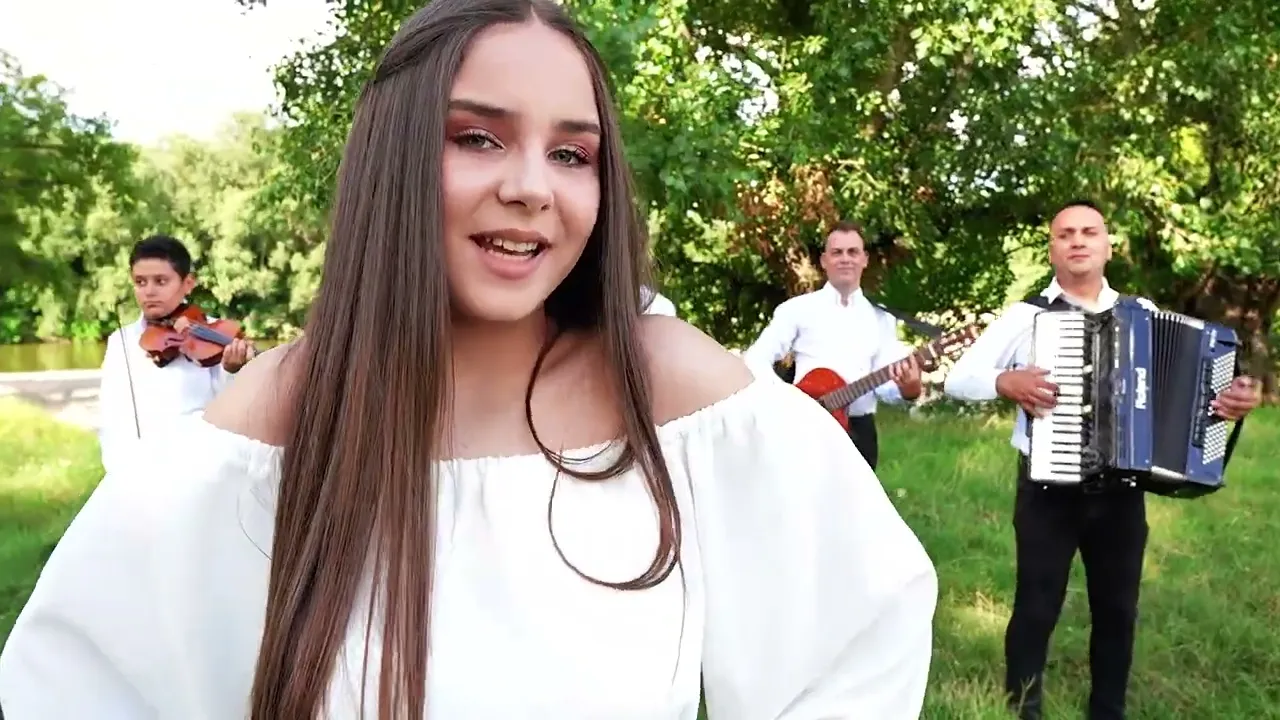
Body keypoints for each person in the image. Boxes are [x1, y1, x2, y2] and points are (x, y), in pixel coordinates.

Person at [0, 2, 938, 718]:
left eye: (571, 154)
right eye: (478, 137)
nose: (531, 187)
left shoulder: (674, 395)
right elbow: (81, 684)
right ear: (394, 158)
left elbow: (854, 646)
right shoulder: (275, 419)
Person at [944, 199, 1262, 720]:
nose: (1077, 241)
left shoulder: (1143, 313)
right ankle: (1023, 709)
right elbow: (958, 378)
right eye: (1065, 233)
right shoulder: (1027, 316)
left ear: (1108, 245)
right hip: (1047, 491)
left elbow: (1188, 399)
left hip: (1122, 490)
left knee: (1117, 609)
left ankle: (1108, 710)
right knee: (1036, 606)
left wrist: (1228, 402)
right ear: (1052, 249)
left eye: (1089, 232)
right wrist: (1004, 381)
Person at [742, 221, 922, 470]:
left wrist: (908, 389)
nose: (845, 259)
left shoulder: (882, 317)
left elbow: (885, 386)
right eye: (837, 252)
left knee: (859, 497)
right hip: (805, 428)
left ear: (864, 260)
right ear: (824, 260)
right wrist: (785, 399)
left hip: (859, 431)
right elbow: (755, 359)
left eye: (853, 252)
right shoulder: (797, 309)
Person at [95, 235, 256, 476]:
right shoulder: (121, 341)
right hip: (138, 468)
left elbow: (232, 412)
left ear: (188, 283)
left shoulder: (216, 334)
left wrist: (232, 371)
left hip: (200, 467)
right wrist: (119, 470)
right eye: (140, 282)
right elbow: (111, 416)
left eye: (161, 281)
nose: (149, 291)